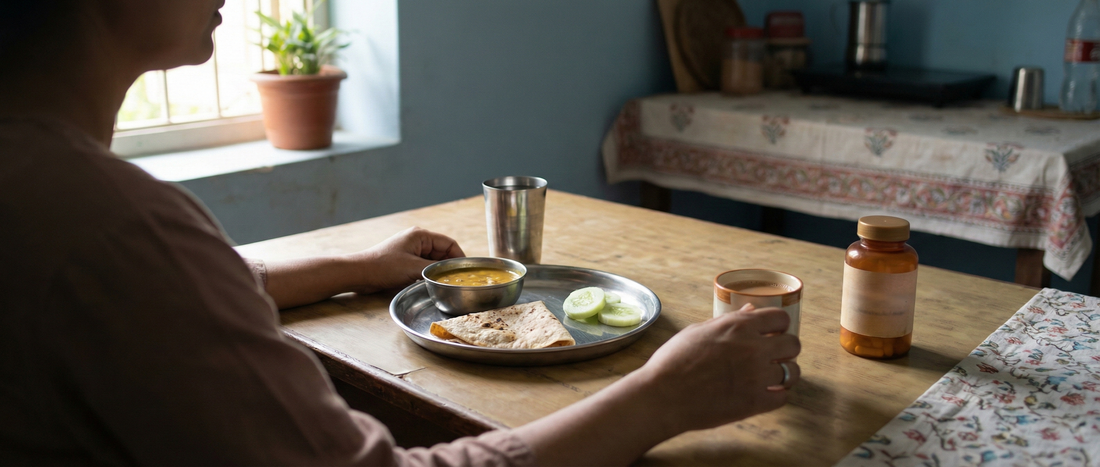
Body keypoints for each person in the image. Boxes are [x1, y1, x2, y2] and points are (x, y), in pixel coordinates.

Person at [0, 1, 801, 465]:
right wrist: (664, 395)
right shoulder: (111, 223)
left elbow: (179, 296)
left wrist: (357, 265)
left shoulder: (53, 190)